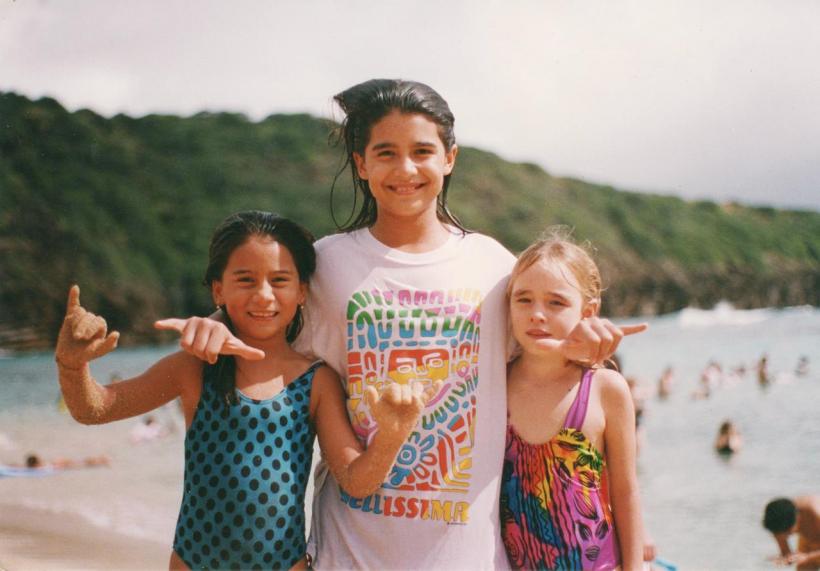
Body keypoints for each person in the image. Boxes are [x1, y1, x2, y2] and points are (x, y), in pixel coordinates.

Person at [159, 80, 647, 569]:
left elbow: (539, 359)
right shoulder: (326, 264)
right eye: (386, 152)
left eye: (422, 151)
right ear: (361, 163)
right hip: (349, 554)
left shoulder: (494, 268)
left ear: (450, 157)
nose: (406, 169)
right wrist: (215, 321)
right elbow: (264, 319)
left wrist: (579, 345)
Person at [55, 211, 439, 570]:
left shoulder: (316, 380)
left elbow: (355, 479)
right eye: (245, 280)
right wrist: (73, 366)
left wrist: (392, 435)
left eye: (280, 280)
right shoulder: (196, 367)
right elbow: (96, 409)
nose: (264, 295)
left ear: (302, 291)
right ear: (218, 290)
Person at [500, 232, 645, 570]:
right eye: (523, 300)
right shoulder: (496, 381)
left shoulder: (605, 389)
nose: (537, 314)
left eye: (555, 302)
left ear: (588, 311)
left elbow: (626, 492)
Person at [763, 496, 820, 569]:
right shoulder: (778, 519)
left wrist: (808, 557)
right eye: (778, 534)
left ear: (797, 518)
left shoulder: (816, 512)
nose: (784, 538)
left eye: (788, 533)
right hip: (809, 539)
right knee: (804, 567)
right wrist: (787, 557)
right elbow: (787, 556)